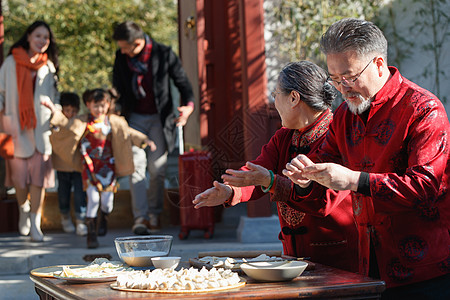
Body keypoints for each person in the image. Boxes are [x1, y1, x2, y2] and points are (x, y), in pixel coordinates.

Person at [283, 18, 450, 297]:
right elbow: (324, 172)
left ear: (379, 64)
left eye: (349, 77)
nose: (343, 88)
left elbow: (424, 186)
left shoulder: (423, 109)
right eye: (335, 80)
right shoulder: (344, 118)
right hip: (366, 266)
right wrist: (306, 178)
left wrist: (353, 180)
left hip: (424, 270)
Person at [193, 61, 359, 272]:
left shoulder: (336, 135)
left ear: (293, 98)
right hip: (294, 257)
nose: (274, 102)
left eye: (276, 94)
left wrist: (270, 181)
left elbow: (322, 200)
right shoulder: (284, 137)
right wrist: (229, 191)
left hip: (337, 259)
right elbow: (257, 172)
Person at [42, 88, 156, 248]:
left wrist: (144, 140)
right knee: (93, 199)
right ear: (88, 105)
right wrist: (54, 110)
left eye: (102, 105)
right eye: (95, 105)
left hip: (108, 166)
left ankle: (104, 217)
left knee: (107, 202)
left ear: (108, 104)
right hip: (89, 165)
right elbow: (68, 124)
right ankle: (91, 234)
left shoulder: (113, 121)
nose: (99, 109)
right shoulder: (83, 121)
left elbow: (128, 132)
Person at [112, 21, 195, 235]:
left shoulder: (163, 53)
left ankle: (154, 214)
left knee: (157, 168)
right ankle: (140, 217)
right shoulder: (121, 57)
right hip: (134, 119)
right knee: (136, 166)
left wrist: (188, 107)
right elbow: (118, 87)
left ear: (138, 42)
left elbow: (182, 82)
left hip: (159, 118)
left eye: (125, 46)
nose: (121, 51)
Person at [0, 20, 59, 242]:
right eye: (38, 36)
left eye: (46, 37)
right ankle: (23, 208)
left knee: (39, 179)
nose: (42, 41)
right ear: (28, 37)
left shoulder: (48, 66)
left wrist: (55, 109)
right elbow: (1, 93)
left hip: (41, 130)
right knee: (19, 179)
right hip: (15, 128)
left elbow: (56, 97)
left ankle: (35, 222)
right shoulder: (10, 62)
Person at [49, 92, 87, 236]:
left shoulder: (79, 121)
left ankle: (80, 220)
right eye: (67, 110)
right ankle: (65, 217)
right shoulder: (56, 121)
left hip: (77, 166)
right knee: (63, 194)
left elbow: (73, 128)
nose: (70, 114)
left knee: (80, 194)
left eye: (73, 111)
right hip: (61, 165)